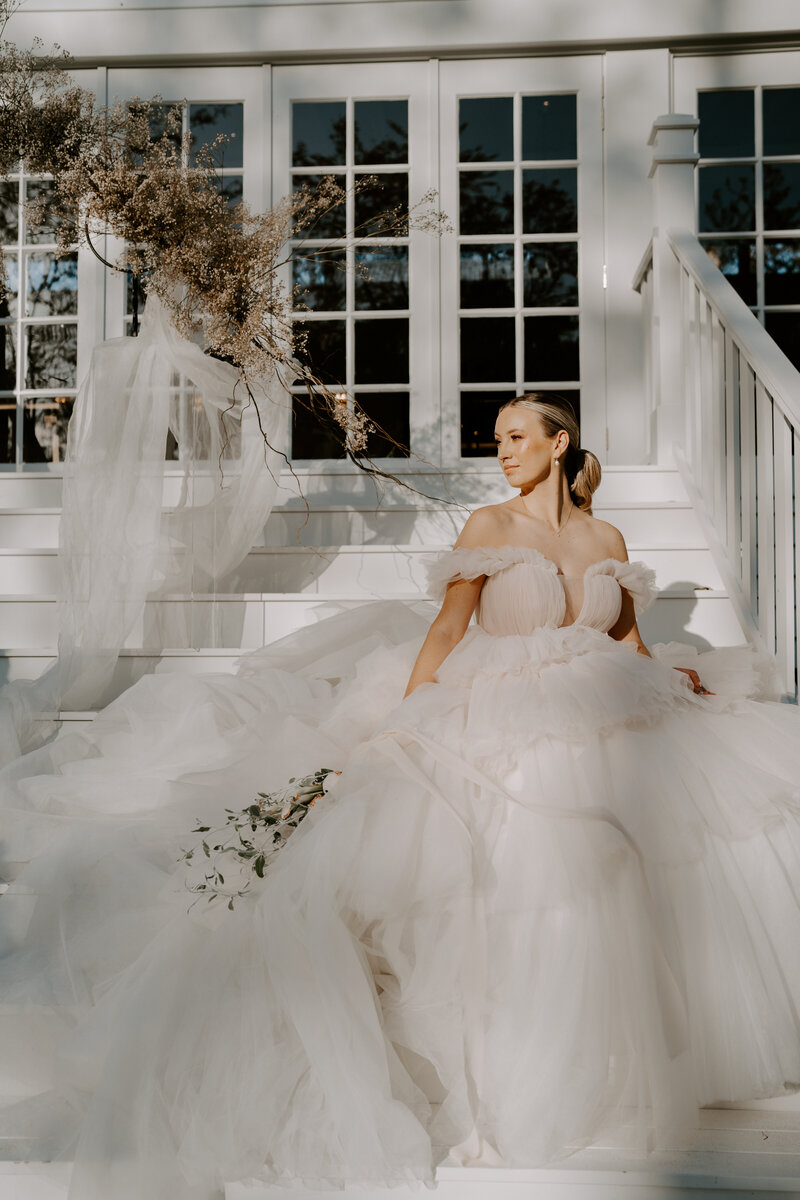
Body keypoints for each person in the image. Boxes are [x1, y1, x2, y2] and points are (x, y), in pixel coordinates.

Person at [2, 392, 800, 1200]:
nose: (503, 452)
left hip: (601, 700)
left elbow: (624, 637)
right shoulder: (489, 528)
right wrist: (407, 717)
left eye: (519, 438)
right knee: (525, 860)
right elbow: (449, 632)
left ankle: (627, 1048)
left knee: (669, 828)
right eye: (498, 440)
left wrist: (665, 671)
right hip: (503, 705)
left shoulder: (605, 537)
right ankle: (511, 1054)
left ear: (560, 445)